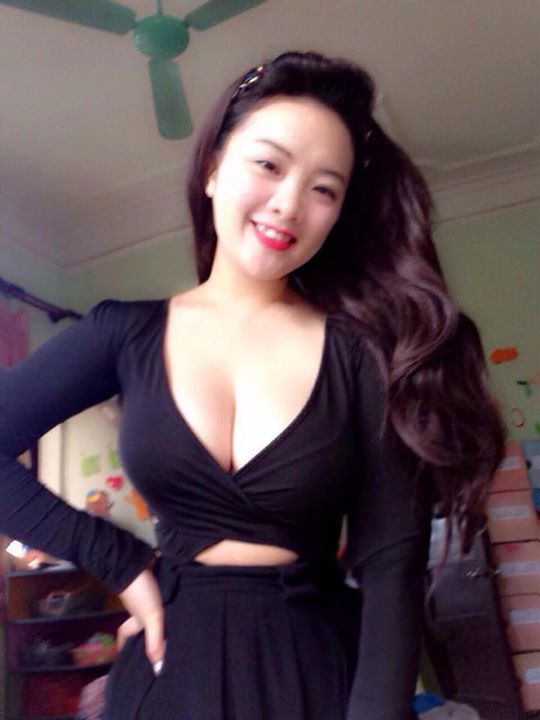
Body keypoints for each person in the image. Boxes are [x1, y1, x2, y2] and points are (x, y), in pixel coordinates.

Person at [0, 51, 503, 720]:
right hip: (164, 670)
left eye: (324, 189)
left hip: (315, 671)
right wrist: (121, 563)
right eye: (269, 164)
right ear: (213, 168)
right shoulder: (122, 332)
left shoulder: (361, 354)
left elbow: (391, 564)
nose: (289, 203)